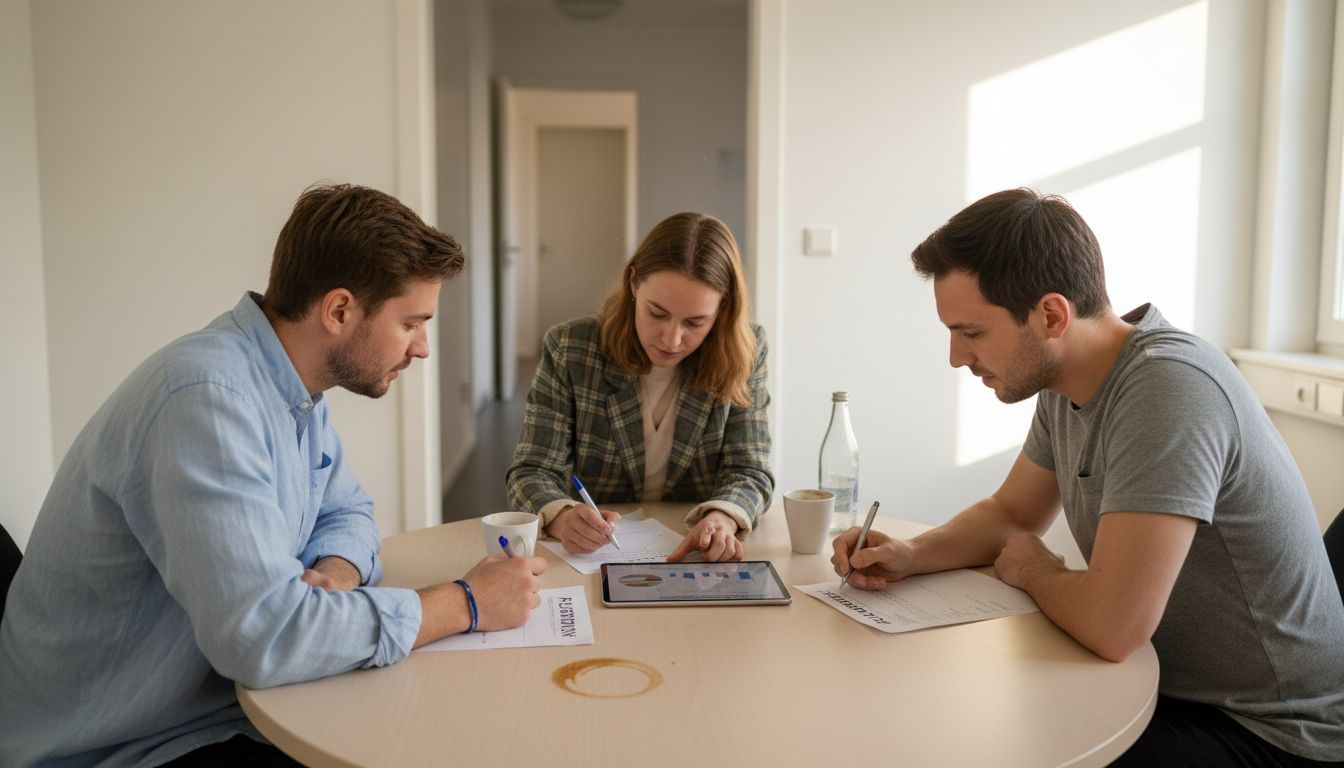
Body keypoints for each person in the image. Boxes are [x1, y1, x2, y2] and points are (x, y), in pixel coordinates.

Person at [0, 184, 547, 768]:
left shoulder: (290, 385)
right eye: (411, 323)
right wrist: (464, 603)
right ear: (339, 310)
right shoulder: (205, 400)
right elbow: (264, 638)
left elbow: (348, 511)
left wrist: (334, 574)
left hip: (213, 705)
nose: (423, 348)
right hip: (119, 743)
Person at [833, 188, 1344, 766]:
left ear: (1052, 315)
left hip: (1270, 728)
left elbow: (1112, 625)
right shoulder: (1065, 382)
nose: (956, 357)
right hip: (1168, 685)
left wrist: (1036, 568)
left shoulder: (1166, 389)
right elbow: (1013, 515)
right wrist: (910, 552)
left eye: (971, 333)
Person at [507, 212, 772, 563]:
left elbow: (750, 469)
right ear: (634, 283)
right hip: (596, 557)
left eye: (695, 322)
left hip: (695, 558)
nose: (672, 339)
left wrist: (722, 516)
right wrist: (562, 516)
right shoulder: (571, 348)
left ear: (723, 310)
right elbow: (532, 470)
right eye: (657, 313)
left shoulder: (747, 350)